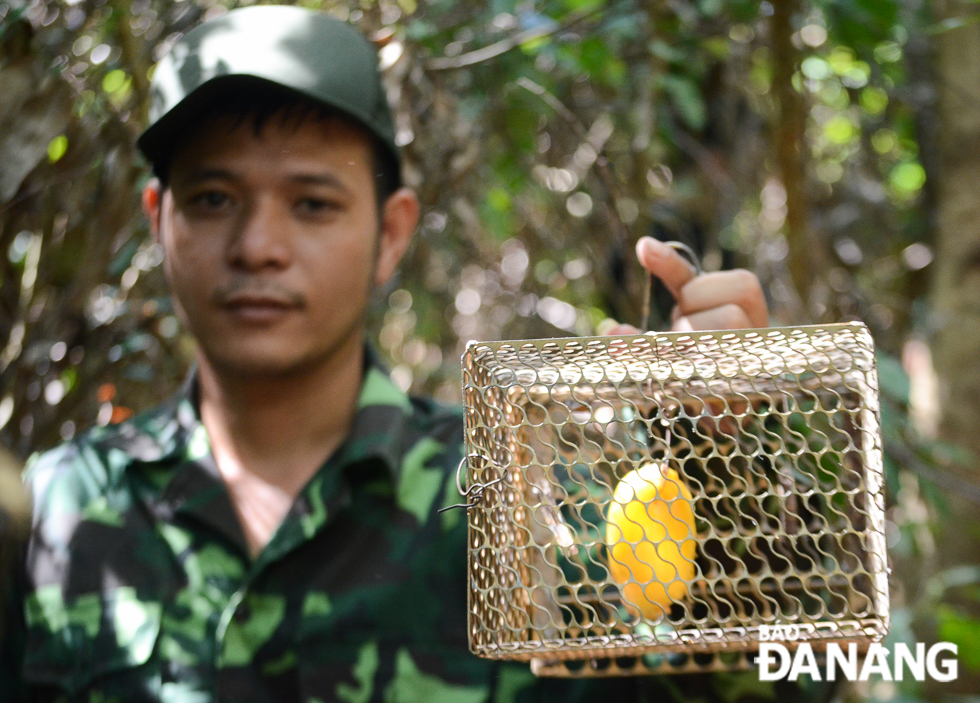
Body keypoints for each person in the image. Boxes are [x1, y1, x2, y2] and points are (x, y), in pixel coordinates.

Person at [1, 6, 790, 702]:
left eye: (313, 204)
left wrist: (725, 456)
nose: (258, 246)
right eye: (213, 199)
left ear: (391, 234)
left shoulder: (516, 505)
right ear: (157, 220)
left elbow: (761, 685)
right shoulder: (56, 513)